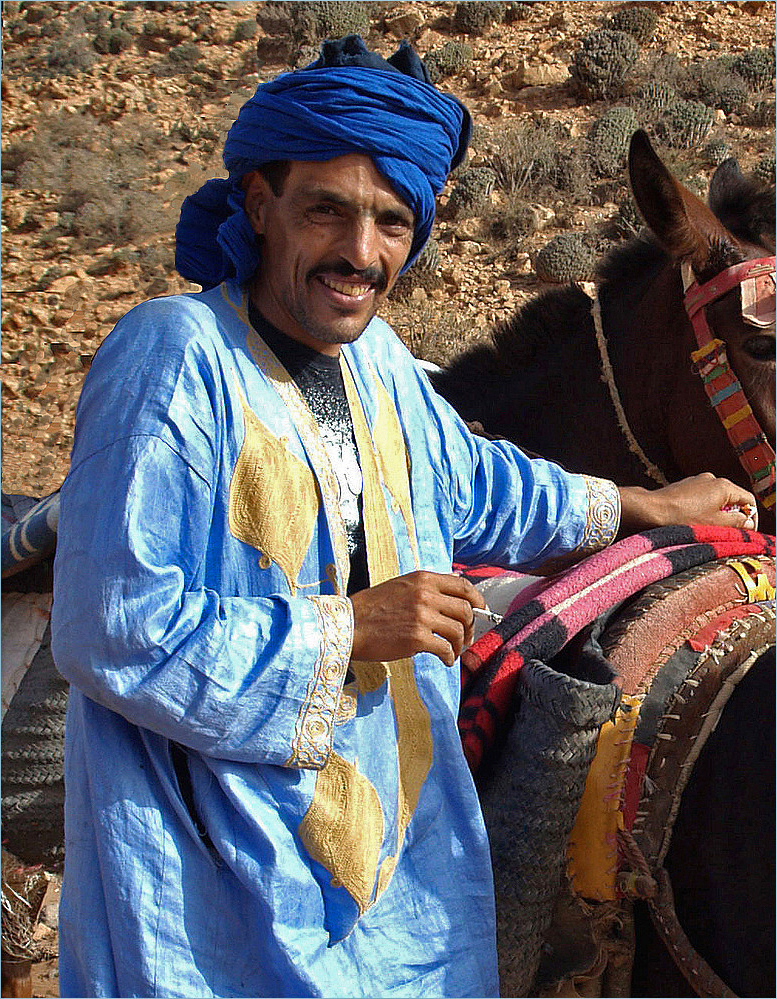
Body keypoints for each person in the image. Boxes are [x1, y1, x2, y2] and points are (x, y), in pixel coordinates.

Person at [51, 36, 758, 999]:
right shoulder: (173, 357)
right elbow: (111, 625)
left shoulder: (379, 365)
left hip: (399, 861)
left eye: (391, 221)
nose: (360, 251)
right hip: (219, 872)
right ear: (260, 208)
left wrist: (638, 503)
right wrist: (351, 629)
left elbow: (474, 485)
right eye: (327, 211)